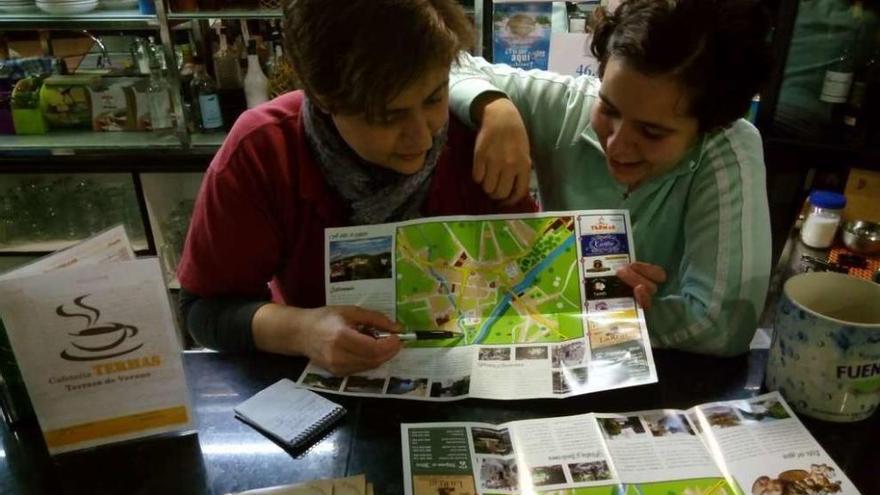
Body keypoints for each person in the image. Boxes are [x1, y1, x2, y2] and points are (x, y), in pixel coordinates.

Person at [177, 0, 535, 377]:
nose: (423, 136)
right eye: (387, 115)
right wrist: (302, 331)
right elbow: (202, 310)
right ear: (324, 99)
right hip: (332, 397)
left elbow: (532, 278)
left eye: (434, 98)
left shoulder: (480, 140)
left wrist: (498, 110)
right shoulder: (264, 150)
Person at [449, 0, 773, 356]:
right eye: (608, 109)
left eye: (651, 132)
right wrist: (495, 107)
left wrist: (612, 312)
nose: (617, 144)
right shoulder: (566, 104)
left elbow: (723, 326)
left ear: (708, 127)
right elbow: (451, 65)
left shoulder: (729, 149)